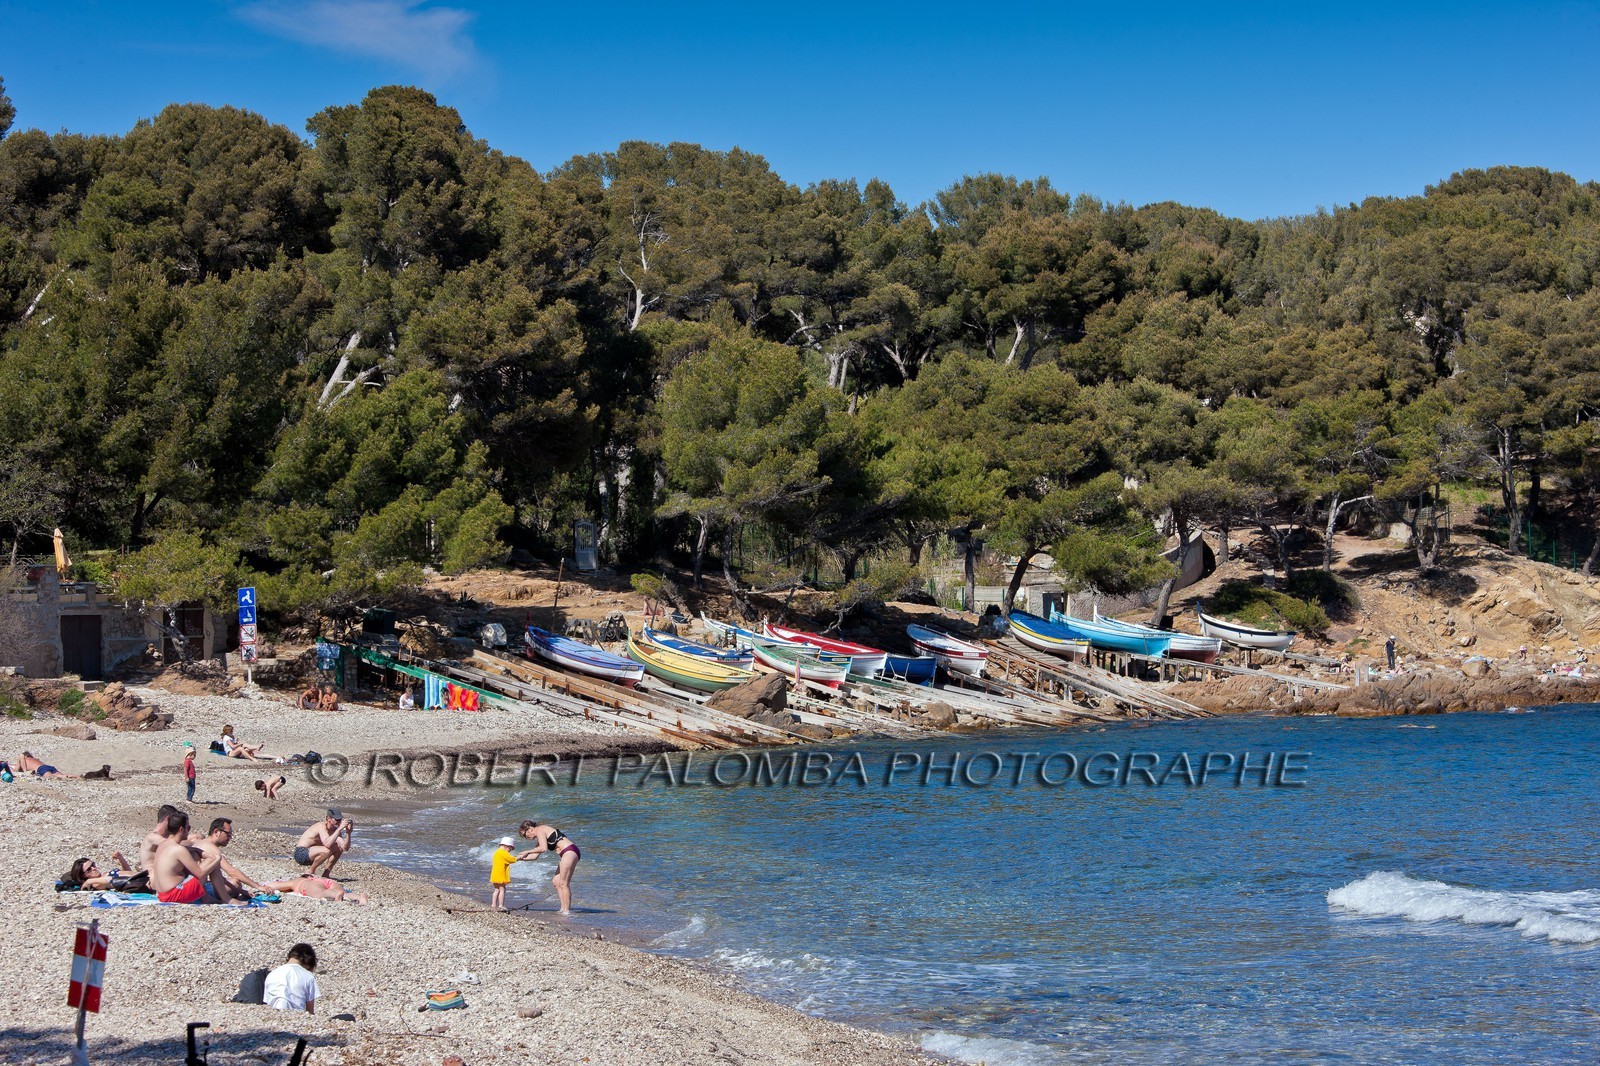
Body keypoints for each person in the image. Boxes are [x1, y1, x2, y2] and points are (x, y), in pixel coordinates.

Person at [148, 810, 223, 904]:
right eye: (188, 828)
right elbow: (200, 874)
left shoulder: (164, 844)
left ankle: (207, 897)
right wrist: (217, 858)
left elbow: (194, 850)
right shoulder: (178, 849)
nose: (189, 831)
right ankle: (225, 898)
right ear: (181, 829)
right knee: (213, 861)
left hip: (160, 894)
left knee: (196, 855)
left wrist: (199, 852)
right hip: (174, 895)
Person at [191, 817, 268, 901]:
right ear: (216, 832)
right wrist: (258, 886)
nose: (229, 838)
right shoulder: (211, 848)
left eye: (230, 835)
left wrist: (242, 891)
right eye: (227, 834)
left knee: (231, 882)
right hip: (196, 888)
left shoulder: (203, 843)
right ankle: (225, 899)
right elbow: (232, 872)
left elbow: (217, 875)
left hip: (192, 884)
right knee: (235, 884)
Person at [518, 819, 581, 915]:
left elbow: (543, 848)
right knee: (556, 881)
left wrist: (527, 851)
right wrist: (516, 859)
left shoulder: (540, 829)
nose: (526, 837)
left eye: (524, 835)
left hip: (570, 851)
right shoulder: (540, 837)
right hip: (566, 854)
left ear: (530, 829)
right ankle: (562, 908)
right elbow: (534, 856)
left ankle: (567, 911)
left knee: (564, 883)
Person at [293, 809, 353, 877]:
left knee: (338, 848)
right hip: (301, 853)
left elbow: (345, 848)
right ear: (328, 818)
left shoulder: (335, 830)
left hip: (314, 855)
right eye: (337, 820)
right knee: (326, 850)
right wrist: (339, 829)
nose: (338, 822)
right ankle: (310, 871)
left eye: (340, 820)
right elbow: (327, 844)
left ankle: (326, 873)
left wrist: (348, 833)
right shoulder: (321, 826)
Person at [264, 943, 319, 1014]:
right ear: (309, 961)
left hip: (273, 1017)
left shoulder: (271, 975)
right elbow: (310, 1011)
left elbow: (266, 1004)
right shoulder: (308, 976)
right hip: (296, 1017)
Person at [63, 852, 148, 892]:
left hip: (143, 876)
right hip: (145, 881)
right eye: (89, 870)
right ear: (83, 876)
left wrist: (121, 858)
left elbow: (128, 873)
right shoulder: (96, 884)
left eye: (93, 864)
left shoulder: (102, 876)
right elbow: (113, 881)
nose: (93, 868)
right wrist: (89, 881)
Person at [259, 875, 368, 904]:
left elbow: (276, 886)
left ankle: (336, 895)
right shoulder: (318, 878)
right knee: (344, 893)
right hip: (330, 882)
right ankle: (359, 897)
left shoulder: (297, 881)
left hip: (312, 885)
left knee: (323, 892)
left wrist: (263, 887)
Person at [139, 804, 183, 871]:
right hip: (150, 877)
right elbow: (170, 844)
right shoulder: (152, 837)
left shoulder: (166, 836)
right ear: (168, 819)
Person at [489, 836, 520, 911]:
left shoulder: (497, 852)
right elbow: (511, 859)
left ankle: (493, 904)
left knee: (496, 889)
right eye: (510, 849)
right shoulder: (503, 853)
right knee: (502, 889)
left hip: (494, 874)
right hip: (501, 874)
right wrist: (519, 857)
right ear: (506, 846)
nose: (510, 851)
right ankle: (501, 905)